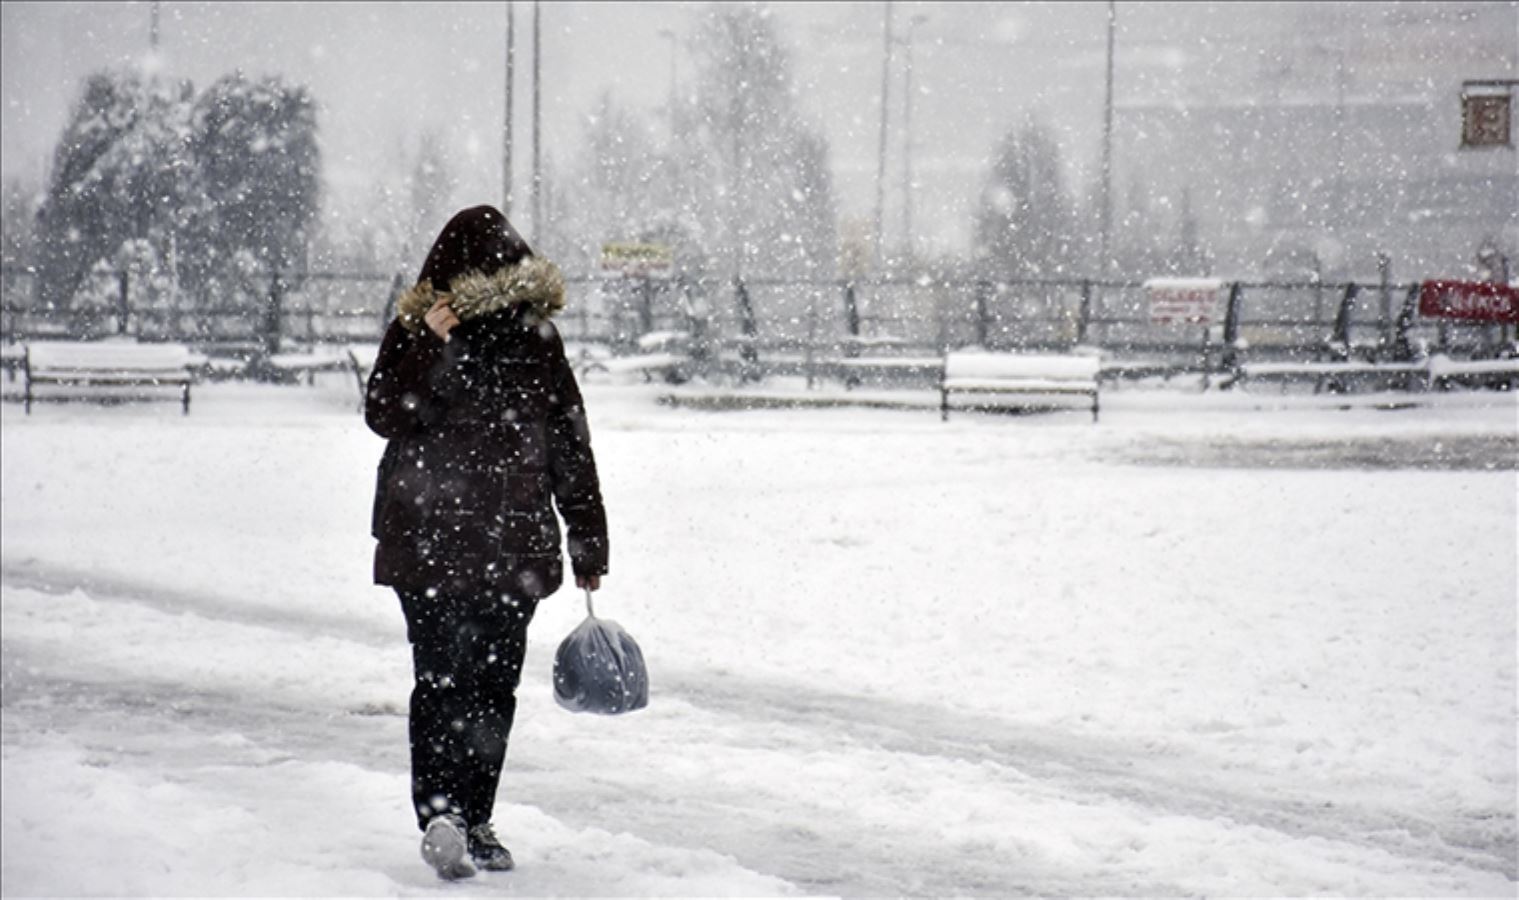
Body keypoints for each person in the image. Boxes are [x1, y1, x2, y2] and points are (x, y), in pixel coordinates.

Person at [364, 205, 608, 880]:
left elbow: (564, 437)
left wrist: (588, 536)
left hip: (463, 540)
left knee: (455, 683)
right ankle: (458, 816)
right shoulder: (427, 333)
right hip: (475, 541)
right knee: (480, 687)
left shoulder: (530, 338)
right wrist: (429, 348)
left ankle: (457, 813)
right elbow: (387, 415)